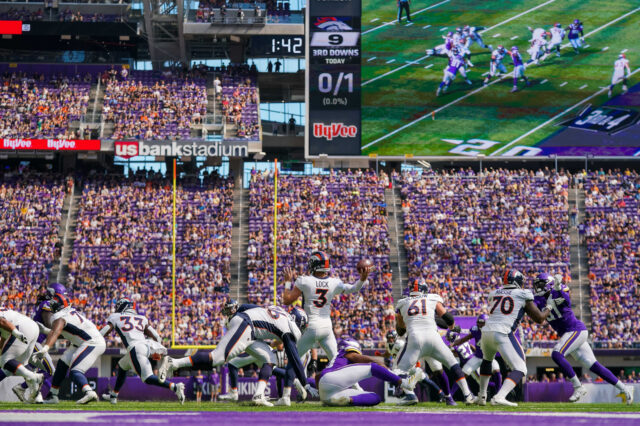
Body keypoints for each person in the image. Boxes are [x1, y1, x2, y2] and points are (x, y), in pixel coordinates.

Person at [159, 302, 308, 406]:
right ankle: (174, 362)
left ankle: (258, 395)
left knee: (270, 358)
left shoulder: (281, 312)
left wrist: (237, 311)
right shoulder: (289, 328)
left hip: (250, 328)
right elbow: (294, 358)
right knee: (216, 358)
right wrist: (305, 383)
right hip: (246, 325)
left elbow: (251, 307)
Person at [533, 273, 633, 404]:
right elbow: (533, 310)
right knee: (593, 365)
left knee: (557, 354)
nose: (537, 287)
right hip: (568, 334)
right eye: (537, 285)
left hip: (575, 330)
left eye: (540, 284)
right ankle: (625, 389)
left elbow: (567, 302)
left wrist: (558, 289)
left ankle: (578, 387)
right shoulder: (538, 299)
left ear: (549, 284)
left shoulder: (559, 291)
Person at [476, 269, 550, 407]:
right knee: (521, 368)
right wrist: (549, 308)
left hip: (486, 332)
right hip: (503, 333)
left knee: (487, 361)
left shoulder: (494, 293)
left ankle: (482, 396)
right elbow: (539, 318)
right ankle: (500, 396)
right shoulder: (523, 294)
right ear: (518, 281)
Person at [395, 282, 476, 405]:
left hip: (415, 341)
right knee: (452, 365)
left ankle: (410, 395)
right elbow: (448, 318)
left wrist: (407, 320)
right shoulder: (432, 298)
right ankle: (466, 395)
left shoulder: (403, 303)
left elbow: (400, 331)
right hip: (433, 339)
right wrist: (453, 328)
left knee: (399, 370)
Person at [282, 251, 371, 362]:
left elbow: (286, 301)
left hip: (310, 327)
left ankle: (292, 379)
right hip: (326, 327)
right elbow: (354, 288)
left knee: (291, 359)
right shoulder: (334, 283)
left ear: (313, 265)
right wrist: (362, 279)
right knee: (336, 362)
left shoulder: (304, 281)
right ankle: (352, 380)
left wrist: (287, 282)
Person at [100, 298, 185, 404]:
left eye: (118, 306)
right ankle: (114, 395)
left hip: (135, 348)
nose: (116, 308)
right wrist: (157, 351)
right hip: (146, 346)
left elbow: (104, 331)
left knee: (147, 378)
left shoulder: (115, 317)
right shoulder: (141, 318)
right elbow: (156, 336)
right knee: (122, 366)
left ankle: (175, 387)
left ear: (123, 306)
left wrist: (96, 338)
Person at [35, 287, 106, 404]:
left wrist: (45, 348)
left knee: (76, 371)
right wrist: (48, 331)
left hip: (91, 343)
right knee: (62, 364)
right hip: (82, 342)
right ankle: (53, 395)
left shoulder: (59, 317)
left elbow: (56, 332)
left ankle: (89, 392)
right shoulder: (70, 312)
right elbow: (65, 333)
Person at [317, 336, 417, 406]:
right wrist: (378, 362)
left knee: (375, 397)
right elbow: (354, 356)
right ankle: (404, 383)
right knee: (374, 366)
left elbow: (318, 376)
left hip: (328, 394)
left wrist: (321, 392)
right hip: (333, 379)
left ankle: (349, 400)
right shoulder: (345, 352)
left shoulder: (336, 361)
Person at [0, 307, 44, 403]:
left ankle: (33, 377)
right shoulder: (6, 311)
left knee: (5, 361)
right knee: (23, 364)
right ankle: (37, 397)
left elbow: (2, 322)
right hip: (32, 326)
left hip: (20, 328)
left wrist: (16, 332)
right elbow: (3, 337)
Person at [450, 314, 502, 392]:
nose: (480, 325)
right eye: (479, 322)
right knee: (462, 375)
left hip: (489, 358)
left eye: (482, 323)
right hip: (477, 357)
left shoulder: (493, 332)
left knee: (497, 372)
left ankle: (499, 393)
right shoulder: (475, 330)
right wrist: (454, 343)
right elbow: (464, 339)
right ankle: (450, 395)